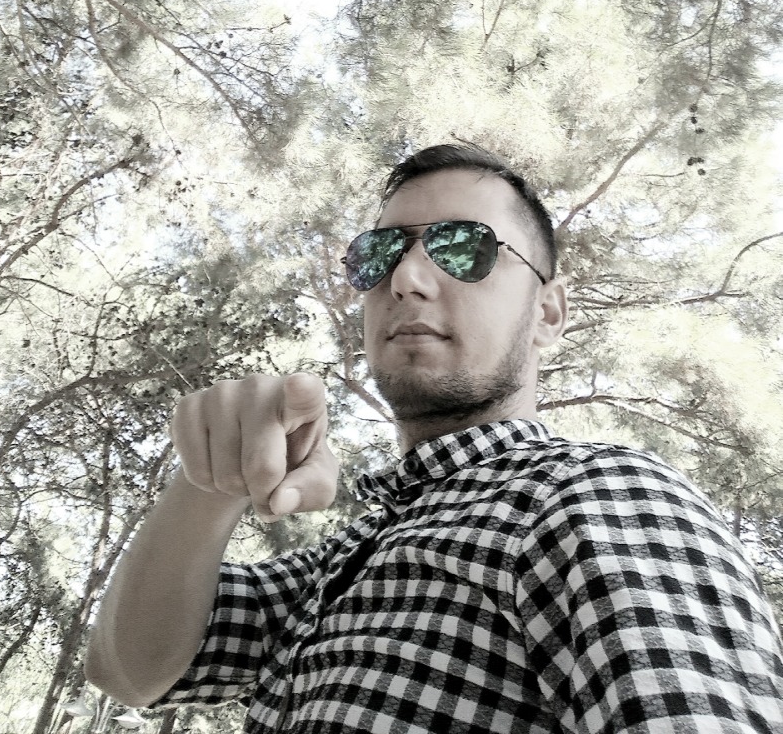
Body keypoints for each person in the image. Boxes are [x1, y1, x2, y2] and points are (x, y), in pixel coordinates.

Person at [85, 143, 783, 732]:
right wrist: (216, 478)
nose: (408, 278)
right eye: (380, 253)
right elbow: (130, 670)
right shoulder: (339, 563)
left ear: (547, 313)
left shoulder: (594, 496)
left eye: (463, 246)